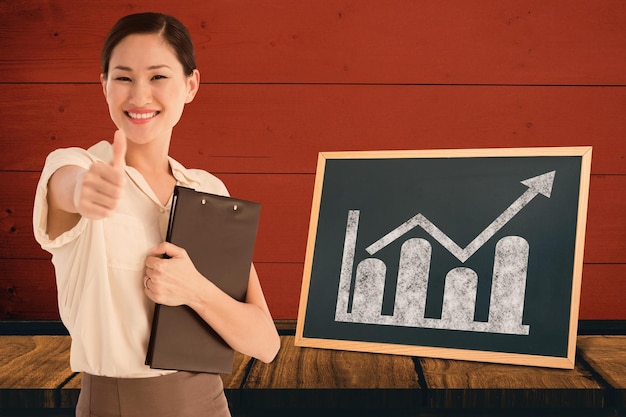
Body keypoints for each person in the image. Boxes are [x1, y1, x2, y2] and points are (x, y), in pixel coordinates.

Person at [33, 12, 280, 417]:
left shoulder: (208, 191)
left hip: (211, 404)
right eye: (124, 77)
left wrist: (194, 290)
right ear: (104, 86)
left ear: (191, 85)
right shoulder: (80, 165)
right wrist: (82, 192)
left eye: (158, 77)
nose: (139, 96)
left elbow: (265, 343)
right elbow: (67, 188)